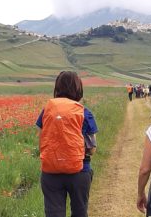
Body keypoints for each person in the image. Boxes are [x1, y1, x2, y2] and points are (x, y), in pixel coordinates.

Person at [36, 71, 98, 217]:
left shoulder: (47, 110)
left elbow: (41, 142)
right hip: (80, 171)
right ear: (78, 89)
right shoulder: (84, 112)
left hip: (51, 172)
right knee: (79, 212)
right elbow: (92, 149)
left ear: (57, 87)